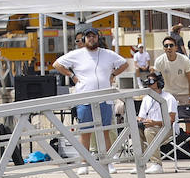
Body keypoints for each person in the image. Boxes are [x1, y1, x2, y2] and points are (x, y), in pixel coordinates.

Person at [52, 26, 131, 158]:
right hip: (84, 98)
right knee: (85, 132)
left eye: (94, 36)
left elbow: (124, 64)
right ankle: (84, 161)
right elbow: (57, 64)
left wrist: (113, 75)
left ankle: (108, 161)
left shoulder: (107, 53)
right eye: (88, 36)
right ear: (84, 39)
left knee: (105, 130)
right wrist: (72, 75)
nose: (91, 39)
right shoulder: (77, 54)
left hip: (105, 98)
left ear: (98, 38)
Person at [136, 72, 178, 171]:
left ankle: (157, 164)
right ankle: (141, 164)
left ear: (159, 83)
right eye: (148, 81)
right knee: (136, 131)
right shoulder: (146, 98)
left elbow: (171, 120)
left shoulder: (169, 98)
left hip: (167, 129)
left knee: (149, 131)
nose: (149, 83)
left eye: (152, 81)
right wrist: (141, 121)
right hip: (150, 127)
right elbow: (140, 117)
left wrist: (154, 123)